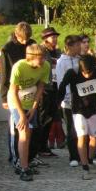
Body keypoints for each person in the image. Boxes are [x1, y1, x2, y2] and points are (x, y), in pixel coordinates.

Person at [57, 55, 96, 179]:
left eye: (90, 73)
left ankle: (90, 160)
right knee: (81, 136)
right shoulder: (72, 73)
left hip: (94, 109)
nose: (87, 75)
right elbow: (62, 86)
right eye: (85, 73)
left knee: (94, 137)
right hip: (78, 109)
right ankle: (85, 167)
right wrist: (58, 101)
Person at [7, 44, 49, 182]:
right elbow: (13, 92)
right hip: (16, 102)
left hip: (30, 102)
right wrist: (21, 115)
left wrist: (33, 108)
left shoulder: (45, 66)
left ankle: (25, 162)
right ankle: (23, 168)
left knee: (30, 133)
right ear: (31, 57)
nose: (43, 60)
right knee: (24, 132)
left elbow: (40, 88)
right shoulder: (19, 67)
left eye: (44, 57)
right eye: (40, 58)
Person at [0, 22, 36, 169]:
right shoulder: (7, 49)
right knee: (16, 126)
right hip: (13, 90)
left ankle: (28, 156)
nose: (25, 42)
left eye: (27, 39)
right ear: (16, 35)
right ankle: (14, 156)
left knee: (30, 126)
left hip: (30, 90)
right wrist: (4, 97)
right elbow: (4, 73)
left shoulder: (32, 44)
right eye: (22, 39)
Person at [56, 35, 83, 167]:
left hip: (81, 99)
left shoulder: (80, 60)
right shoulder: (61, 62)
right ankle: (73, 156)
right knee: (71, 128)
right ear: (69, 46)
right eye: (77, 45)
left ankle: (84, 154)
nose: (80, 47)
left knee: (82, 127)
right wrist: (66, 98)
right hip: (68, 102)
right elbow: (61, 82)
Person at [36, 27, 62, 158]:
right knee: (43, 118)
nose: (55, 39)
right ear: (45, 39)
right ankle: (39, 147)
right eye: (52, 37)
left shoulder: (57, 51)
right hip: (45, 89)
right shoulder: (41, 51)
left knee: (51, 118)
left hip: (56, 88)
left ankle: (44, 146)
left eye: (56, 36)